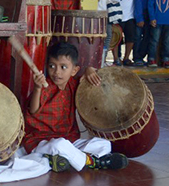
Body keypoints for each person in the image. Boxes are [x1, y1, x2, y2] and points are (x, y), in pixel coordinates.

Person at [24, 42, 128, 173]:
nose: (57, 72)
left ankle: (56, 160)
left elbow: (92, 76)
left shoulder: (75, 85)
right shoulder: (44, 87)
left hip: (69, 139)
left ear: (74, 70)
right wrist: (38, 88)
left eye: (63, 67)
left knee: (103, 143)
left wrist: (90, 69)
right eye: (52, 66)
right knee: (59, 145)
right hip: (41, 141)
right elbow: (33, 111)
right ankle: (92, 162)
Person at [133, 0, 158, 66]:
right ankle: (137, 58)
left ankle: (145, 56)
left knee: (148, 36)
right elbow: (137, 0)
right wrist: (139, 17)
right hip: (141, 12)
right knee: (138, 36)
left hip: (151, 13)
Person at [147, 0, 169, 68]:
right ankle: (151, 59)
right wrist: (152, 17)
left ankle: (166, 59)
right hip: (157, 20)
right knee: (154, 40)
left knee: (167, 41)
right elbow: (150, 3)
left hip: (168, 21)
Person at [116, 0, 137, 65]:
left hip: (130, 17)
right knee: (117, 39)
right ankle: (116, 58)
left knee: (130, 37)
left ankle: (126, 57)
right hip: (118, 17)